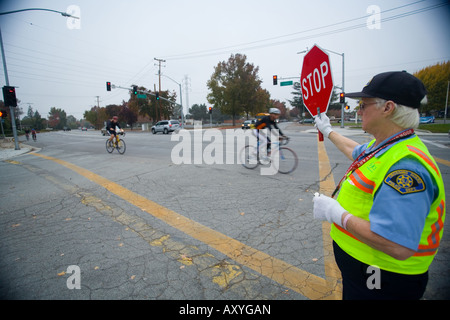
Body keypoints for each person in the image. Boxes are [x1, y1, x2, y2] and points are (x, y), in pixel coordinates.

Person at [312, 71, 446, 300]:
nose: (358, 110)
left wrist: (336, 214)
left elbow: (397, 245)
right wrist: (328, 131)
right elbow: (354, 151)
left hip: (382, 277)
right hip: (366, 270)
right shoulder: (386, 145)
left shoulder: (406, 166)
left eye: (364, 104)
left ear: (388, 108)